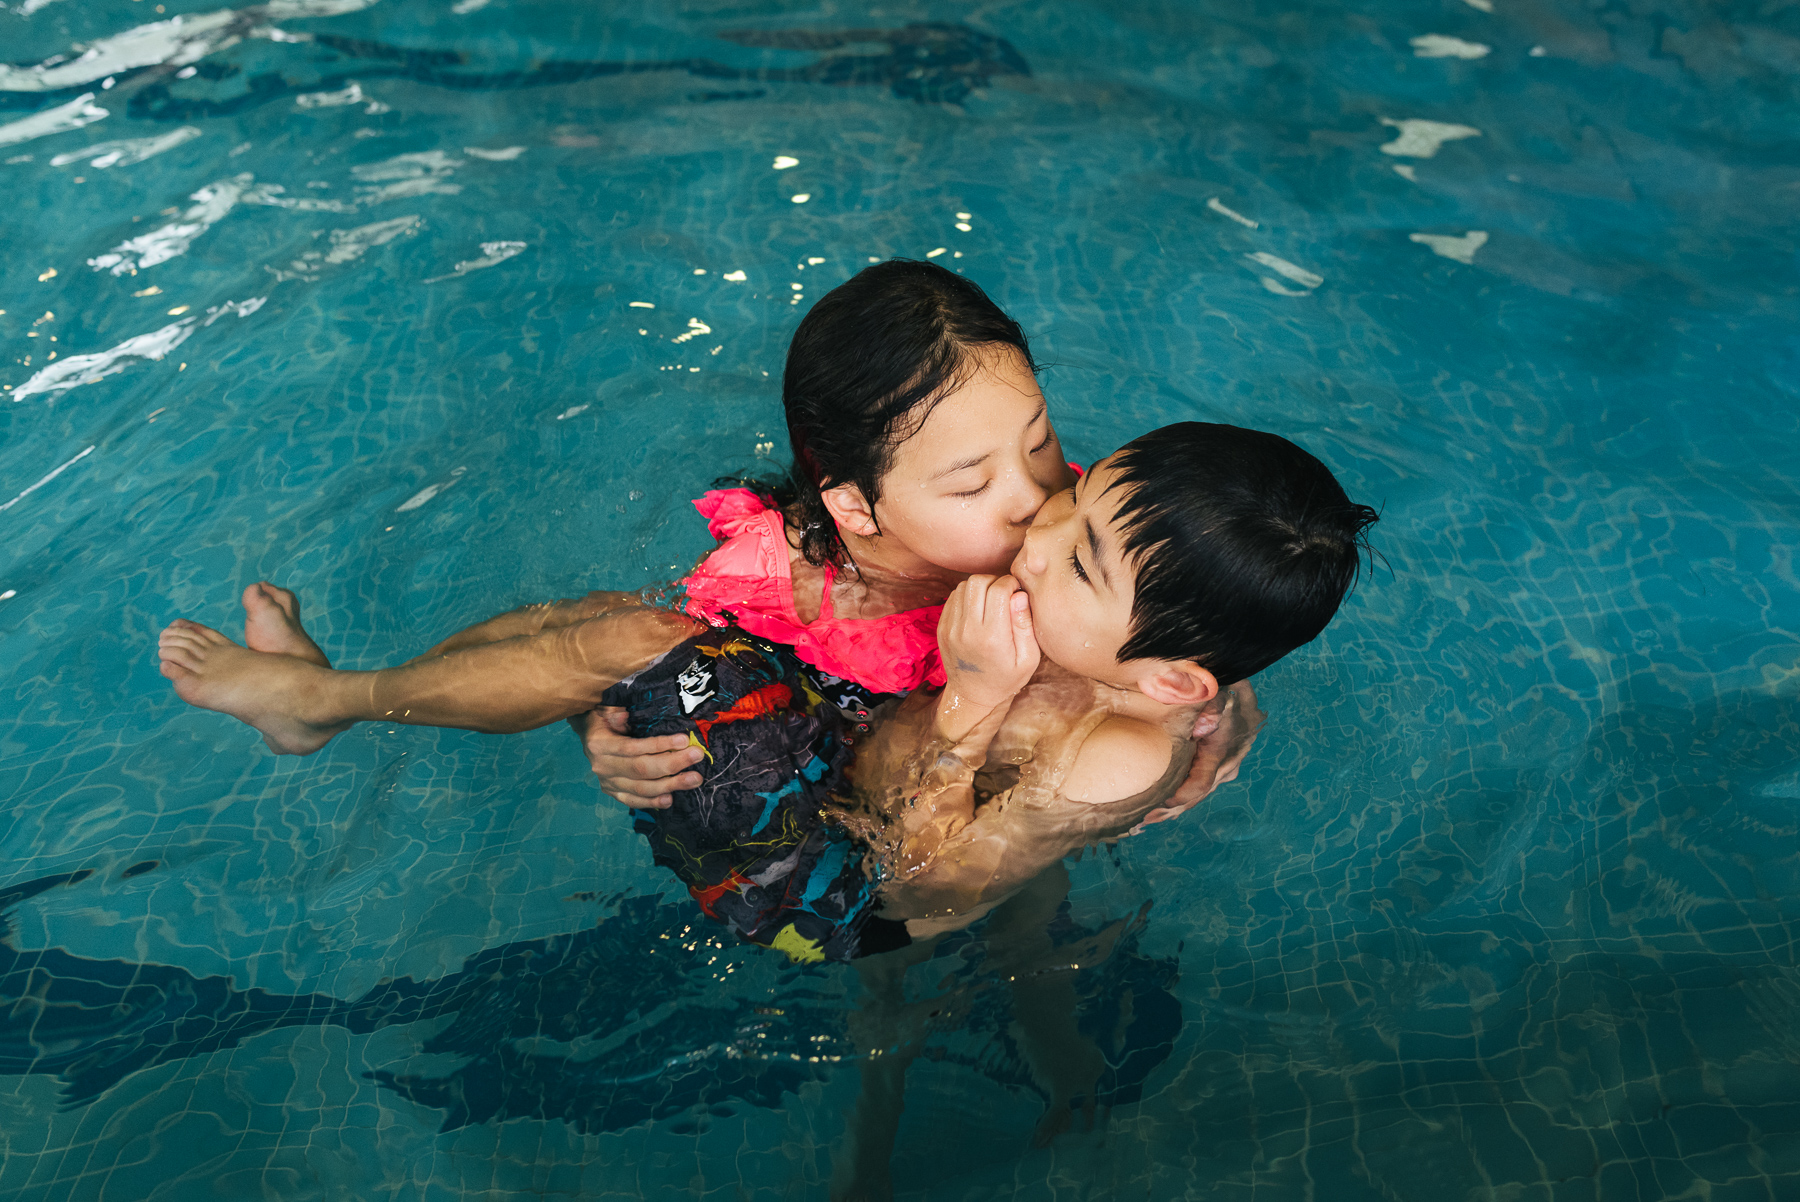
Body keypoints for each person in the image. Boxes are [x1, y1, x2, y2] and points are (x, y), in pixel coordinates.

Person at [158, 422, 1375, 961]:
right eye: (1077, 490)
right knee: (603, 624)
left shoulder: (1112, 746)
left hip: (826, 894)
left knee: (635, 640)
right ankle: (326, 694)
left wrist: (971, 705)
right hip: (851, 753)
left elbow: (918, 873)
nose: (1033, 529)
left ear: (1167, 677)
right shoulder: (1122, 604)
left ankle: (316, 704)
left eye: (1076, 552)